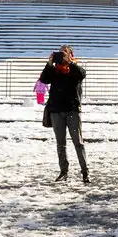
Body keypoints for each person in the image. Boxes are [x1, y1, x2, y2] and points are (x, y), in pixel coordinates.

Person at [38, 45, 89, 183]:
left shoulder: (74, 69)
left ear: (71, 54)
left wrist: (70, 62)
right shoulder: (54, 70)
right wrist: (49, 64)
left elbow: (82, 75)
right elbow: (43, 80)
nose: (62, 56)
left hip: (72, 110)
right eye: (60, 53)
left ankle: (85, 172)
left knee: (78, 143)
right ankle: (63, 171)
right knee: (61, 144)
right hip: (56, 112)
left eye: (65, 53)